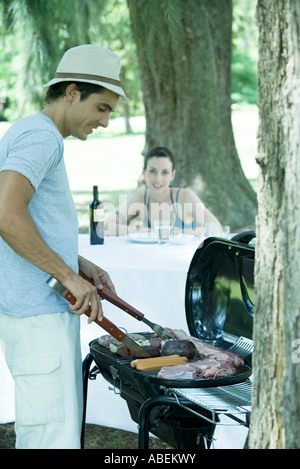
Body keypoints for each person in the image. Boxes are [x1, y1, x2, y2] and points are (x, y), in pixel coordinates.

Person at [0, 44, 127, 449]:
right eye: (102, 108)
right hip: (39, 317)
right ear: (72, 91)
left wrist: (78, 262)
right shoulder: (43, 138)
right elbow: (5, 213)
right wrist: (67, 274)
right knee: (50, 440)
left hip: (36, 313)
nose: (105, 122)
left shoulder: (30, 129)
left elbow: (30, 221)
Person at [105, 146, 220, 236]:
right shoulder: (141, 196)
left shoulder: (185, 196)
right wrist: (146, 231)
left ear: (172, 175)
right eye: (152, 171)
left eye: (165, 172)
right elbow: (105, 227)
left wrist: (181, 233)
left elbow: (216, 229)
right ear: (144, 173)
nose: (158, 179)